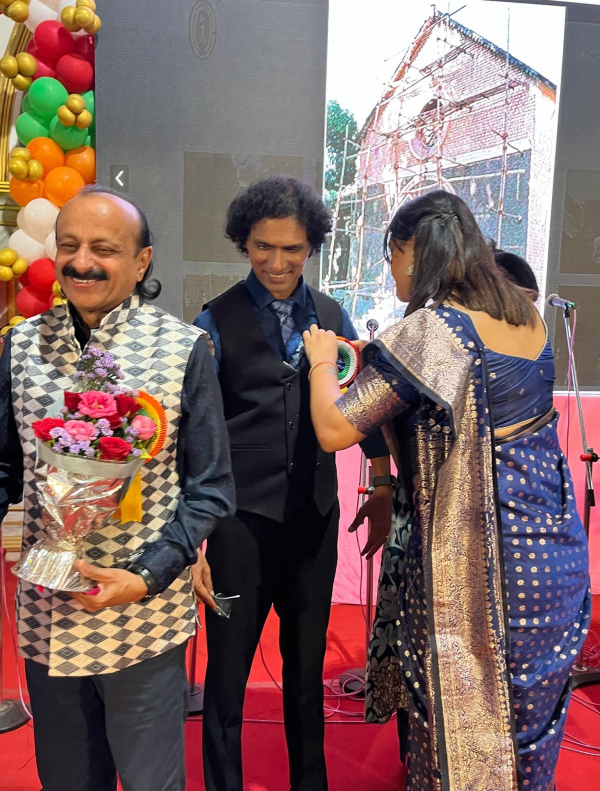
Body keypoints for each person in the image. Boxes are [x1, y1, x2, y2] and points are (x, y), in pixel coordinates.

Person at [302, 189, 591, 791]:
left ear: (415, 250)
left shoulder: (432, 332)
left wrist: (322, 361)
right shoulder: (527, 319)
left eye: (392, 256)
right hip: (554, 558)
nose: (392, 271)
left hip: (480, 566)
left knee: (458, 723)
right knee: (528, 725)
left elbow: (333, 429)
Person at [0, 187, 235, 791]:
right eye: (69, 245)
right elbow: (4, 468)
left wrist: (149, 575)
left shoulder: (183, 349)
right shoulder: (20, 346)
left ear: (141, 261)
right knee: (67, 779)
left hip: (142, 615)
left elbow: (211, 488)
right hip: (48, 611)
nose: (82, 262)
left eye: (103, 249)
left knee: (151, 780)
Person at [193, 175, 390, 791]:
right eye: (263, 247)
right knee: (226, 675)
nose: (277, 263)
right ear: (243, 242)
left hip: (314, 521)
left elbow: (366, 401)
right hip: (237, 528)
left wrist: (382, 483)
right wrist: (195, 539)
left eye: (292, 249)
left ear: (312, 247)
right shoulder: (213, 320)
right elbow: (193, 432)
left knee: (306, 674)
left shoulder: (333, 316)